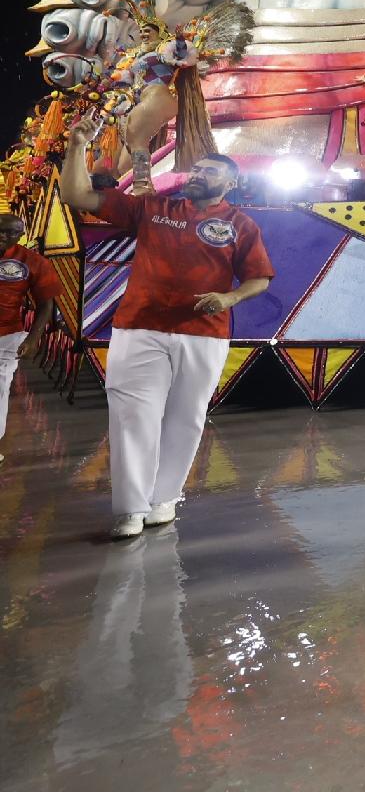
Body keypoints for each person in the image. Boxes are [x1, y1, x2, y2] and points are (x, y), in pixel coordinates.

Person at [58, 113, 275, 539]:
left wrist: (230, 297)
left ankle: (163, 500)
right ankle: (130, 510)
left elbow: (259, 277)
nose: (198, 174)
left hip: (204, 334)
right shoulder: (153, 208)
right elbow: (77, 194)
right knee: (132, 415)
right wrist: (77, 145)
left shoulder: (241, 225)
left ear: (229, 183)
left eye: (209, 171)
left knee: (185, 418)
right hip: (139, 326)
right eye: (195, 169)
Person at [0, 212, 59, 461]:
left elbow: (46, 305)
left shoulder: (33, 262)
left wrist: (33, 339)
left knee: (0, 387)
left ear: (20, 235)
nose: (2, 236)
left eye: (10, 232)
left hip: (6, 336)